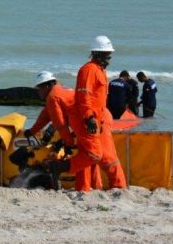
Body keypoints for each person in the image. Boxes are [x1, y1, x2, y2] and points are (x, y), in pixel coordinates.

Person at [45, 36, 126, 191]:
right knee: (94, 154)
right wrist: (89, 118)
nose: (110, 57)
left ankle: (88, 188)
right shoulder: (88, 70)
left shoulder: (100, 71)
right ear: (98, 54)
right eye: (107, 54)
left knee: (98, 156)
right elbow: (84, 96)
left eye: (110, 54)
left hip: (97, 120)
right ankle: (58, 167)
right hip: (86, 120)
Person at [24, 71, 101, 191]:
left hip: (86, 123)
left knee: (94, 155)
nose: (38, 92)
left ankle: (58, 167)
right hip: (91, 119)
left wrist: (68, 142)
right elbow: (46, 116)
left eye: (39, 88)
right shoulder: (61, 90)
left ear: (47, 86)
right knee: (86, 156)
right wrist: (33, 131)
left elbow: (60, 125)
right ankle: (91, 187)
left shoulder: (53, 97)